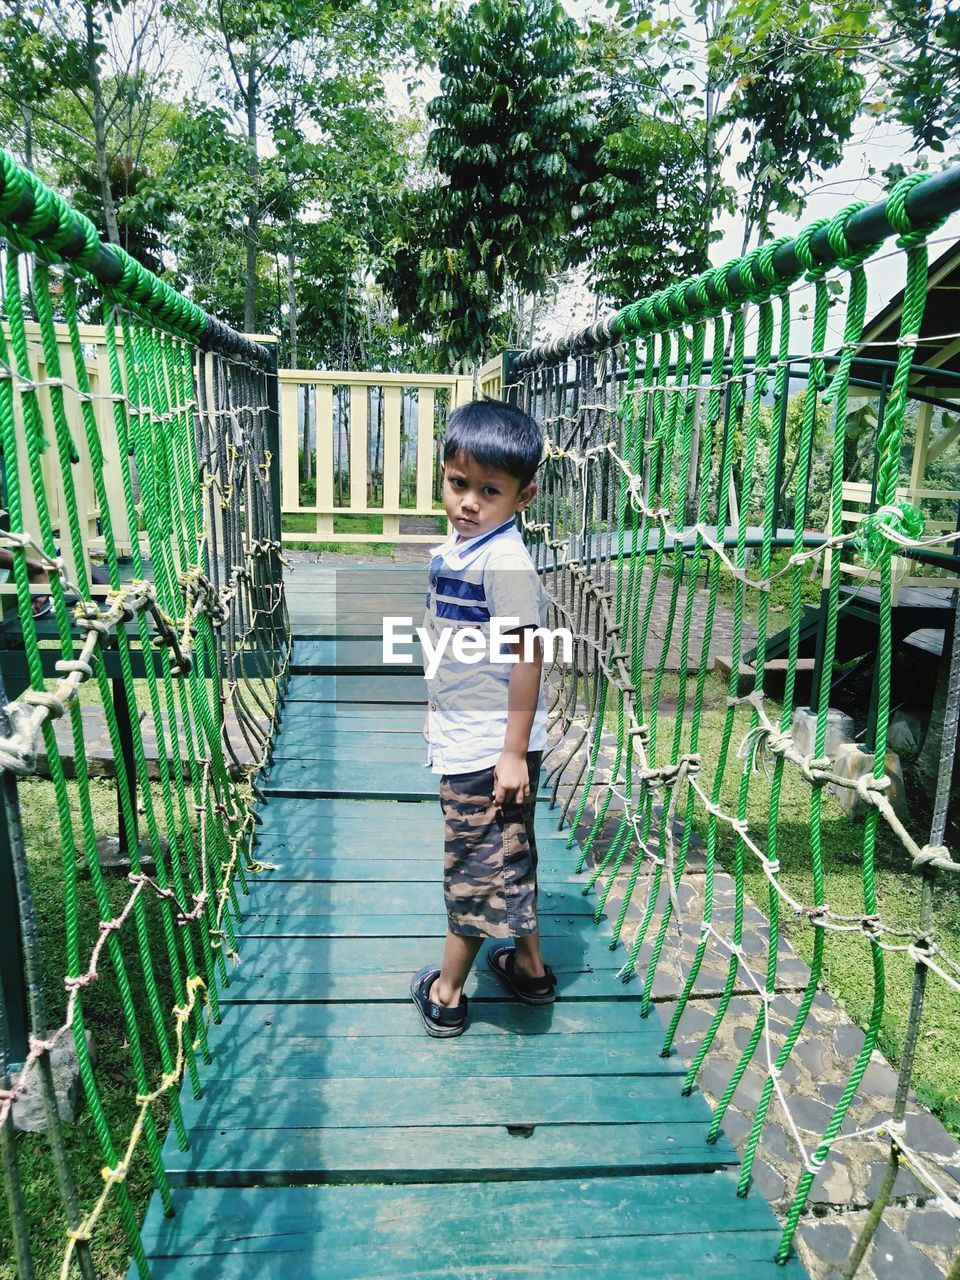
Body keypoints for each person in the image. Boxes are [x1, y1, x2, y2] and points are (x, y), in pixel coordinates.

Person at [409, 398, 557, 1038]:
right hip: (466, 734)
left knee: (472, 870)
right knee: (507, 851)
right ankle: (528, 969)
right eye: (458, 483)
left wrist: (512, 752)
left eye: (489, 491)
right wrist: (435, 706)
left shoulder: (506, 564)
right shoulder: (464, 546)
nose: (468, 502)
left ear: (522, 497)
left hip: (489, 750)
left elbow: (530, 658)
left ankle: (446, 993)